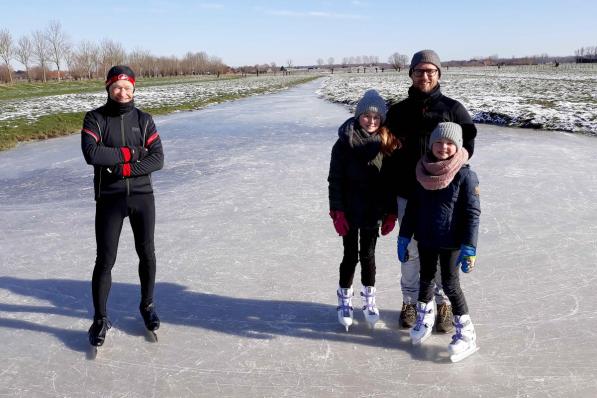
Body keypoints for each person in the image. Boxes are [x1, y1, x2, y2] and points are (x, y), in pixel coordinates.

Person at [386, 49, 477, 332]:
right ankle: (410, 302)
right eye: (419, 71)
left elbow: (468, 145)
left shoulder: (453, 108)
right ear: (410, 74)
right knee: (411, 251)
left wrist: (452, 171)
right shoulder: (398, 111)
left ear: (438, 74)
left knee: (440, 250)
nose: (424, 76)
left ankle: (443, 304)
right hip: (408, 194)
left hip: (443, 197)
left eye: (430, 71)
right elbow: (386, 153)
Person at [81, 65, 164, 346]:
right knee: (105, 260)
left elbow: (158, 159)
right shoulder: (95, 119)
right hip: (110, 199)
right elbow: (92, 153)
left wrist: (123, 169)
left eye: (128, 87)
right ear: (108, 88)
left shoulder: (145, 120)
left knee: (147, 254)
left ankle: (147, 306)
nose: (123, 92)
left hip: (142, 197)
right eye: (117, 87)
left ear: (134, 89)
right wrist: (134, 153)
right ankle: (100, 318)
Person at [397, 122, 480, 362]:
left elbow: (472, 213)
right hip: (426, 238)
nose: (444, 147)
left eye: (449, 143)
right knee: (425, 279)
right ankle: (424, 318)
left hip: (452, 242)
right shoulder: (422, 170)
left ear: (458, 146)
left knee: (451, 285)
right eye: (439, 142)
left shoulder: (465, 175)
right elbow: (412, 208)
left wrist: (470, 246)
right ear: (431, 144)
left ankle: (467, 333)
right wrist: (405, 236)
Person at [328, 89, 400, 331]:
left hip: (373, 211)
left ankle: (369, 299)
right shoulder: (343, 144)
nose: (371, 121)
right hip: (349, 211)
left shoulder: (387, 144)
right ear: (358, 116)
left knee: (368, 256)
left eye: (376, 118)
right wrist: (336, 211)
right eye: (367, 116)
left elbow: (391, 182)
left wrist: (391, 212)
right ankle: (345, 300)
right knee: (350, 256)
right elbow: (335, 180)